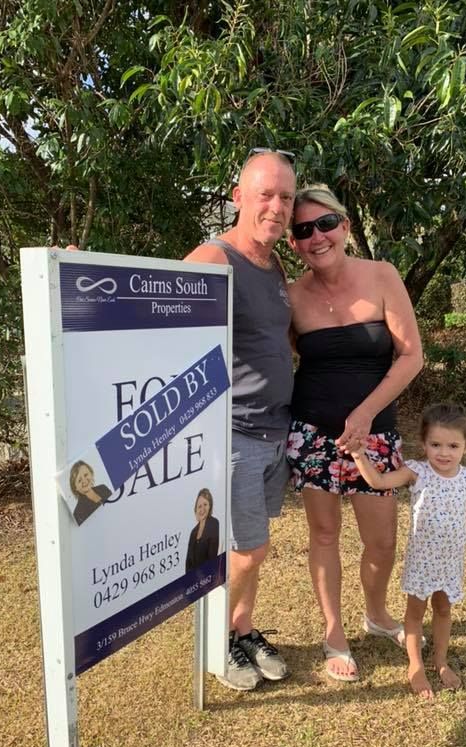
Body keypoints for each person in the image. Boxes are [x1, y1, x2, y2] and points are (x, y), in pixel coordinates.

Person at [286, 185, 423, 682]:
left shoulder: (382, 275)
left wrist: (365, 414)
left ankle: (376, 613)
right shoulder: (293, 296)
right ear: (293, 243)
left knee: (381, 542)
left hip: (375, 437)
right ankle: (333, 633)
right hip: (313, 436)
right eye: (302, 230)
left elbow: (411, 356)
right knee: (323, 535)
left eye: (325, 224)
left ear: (344, 225)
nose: (316, 237)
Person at [184, 149, 297, 691]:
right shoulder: (216, 258)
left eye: (286, 197)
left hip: (275, 432)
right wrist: (84, 274)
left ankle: (242, 630)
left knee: (254, 544)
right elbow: (151, 311)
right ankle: (216, 643)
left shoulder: (274, 265)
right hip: (234, 433)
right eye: (265, 194)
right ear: (238, 198)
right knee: (248, 550)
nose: (277, 206)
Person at [351, 402, 466, 698]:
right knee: (414, 614)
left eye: (453, 445)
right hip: (422, 562)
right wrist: (358, 454)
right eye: (435, 444)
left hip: (451, 562)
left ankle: (440, 661)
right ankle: (415, 665)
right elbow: (378, 481)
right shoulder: (417, 472)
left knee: (443, 610)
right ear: (424, 444)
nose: (444, 452)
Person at [185, 488, 220, 573]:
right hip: (193, 580)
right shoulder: (193, 532)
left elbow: (212, 557)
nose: (202, 509)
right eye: (199, 506)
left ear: (210, 506)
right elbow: (188, 562)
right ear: (196, 509)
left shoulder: (213, 523)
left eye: (205, 504)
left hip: (207, 577)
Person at [69, 461, 112, 526]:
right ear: (75, 487)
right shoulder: (78, 513)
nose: (84, 481)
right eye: (79, 480)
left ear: (91, 473)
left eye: (86, 475)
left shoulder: (103, 488)